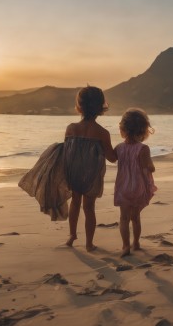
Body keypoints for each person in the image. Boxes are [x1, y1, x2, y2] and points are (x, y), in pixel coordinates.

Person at [63, 86, 116, 251]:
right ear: (101, 107)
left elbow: (67, 152)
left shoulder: (71, 128)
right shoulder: (102, 133)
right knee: (89, 208)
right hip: (91, 175)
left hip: (74, 172)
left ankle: (72, 236)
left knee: (74, 204)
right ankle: (89, 243)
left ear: (79, 106)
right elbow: (112, 158)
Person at [114, 108, 157, 257]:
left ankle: (125, 246)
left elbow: (111, 158)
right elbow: (150, 167)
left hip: (122, 187)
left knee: (124, 218)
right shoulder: (143, 149)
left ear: (123, 129)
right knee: (135, 217)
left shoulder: (119, 148)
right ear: (144, 130)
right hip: (138, 187)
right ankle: (136, 243)